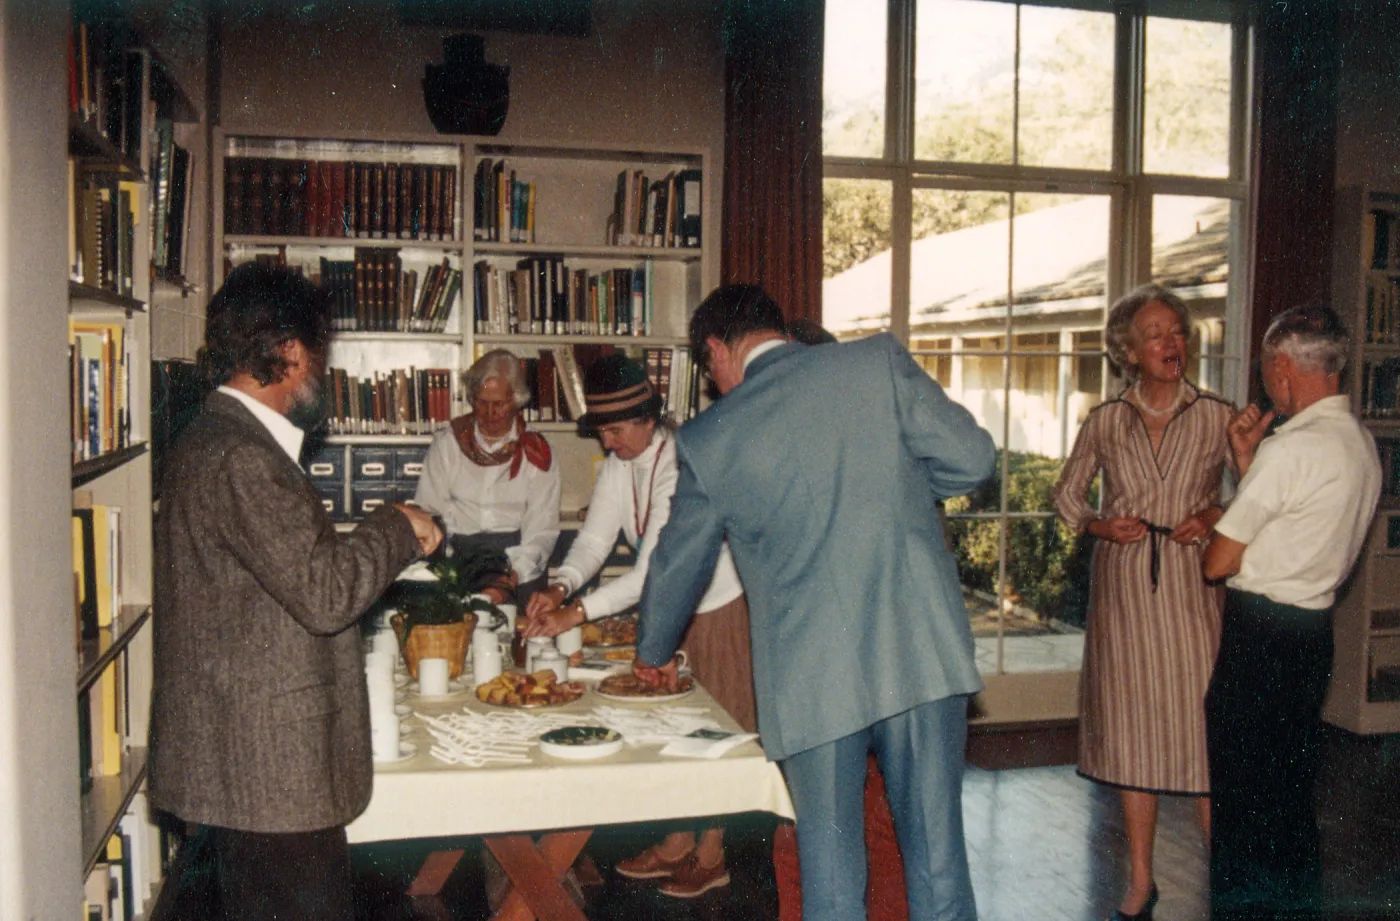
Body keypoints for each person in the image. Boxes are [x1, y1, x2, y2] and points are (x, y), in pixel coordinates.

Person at [632, 284, 996, 920]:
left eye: (708, 367)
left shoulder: (710, 438)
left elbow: (677, 563)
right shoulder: (876, 363)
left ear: (717, 349)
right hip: (919, 650)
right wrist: (902, 490)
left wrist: (652, 650)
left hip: (811, 677)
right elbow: (973, 459)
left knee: (829, 877)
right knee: (939, 865)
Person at [148, 263, 444, 921]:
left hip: (246, 768)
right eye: (318, 356)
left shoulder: (218, 438)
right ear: (287, 351)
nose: (323, 376)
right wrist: (396, 526)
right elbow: (325, 591)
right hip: (267, 775)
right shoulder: (243, 455)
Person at [521, 352, 753, 898]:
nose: (609, 444)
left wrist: (572, 614)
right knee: (675, 730)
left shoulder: (681, 463)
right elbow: (596, 541)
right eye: (602, 433)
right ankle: (677, 843)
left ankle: (712, 854)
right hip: (669, 608)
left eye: (617, 430)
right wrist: (559, 586)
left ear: (649, 419)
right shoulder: (622, 464)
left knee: (714, 732)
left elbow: (654, 571)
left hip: (715, 606)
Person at [1052, 284, 1233, 921]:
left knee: (1204, 733)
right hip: (1126, 587)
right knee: (1132, 737)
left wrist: (1212, 513)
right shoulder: (1106, 419)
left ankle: (1225, 881)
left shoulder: (1218, 414)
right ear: (1129, 351)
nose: (1171, 344)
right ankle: (1141, 881)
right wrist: (1102, 526)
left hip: (1192, 584)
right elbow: (1067, 496)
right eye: (1156, 334)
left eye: (1178, 332)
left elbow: (1258, 497)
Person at [1203, 304, 1380, 920]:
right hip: (1310, 638)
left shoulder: (1292, 450)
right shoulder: (1359, 444)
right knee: (1286, 801)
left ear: (1282, 365)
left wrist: (1234, 495)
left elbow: (1218, 561)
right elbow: (1292, 528)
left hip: (1260, 638)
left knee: (1242, 806)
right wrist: (1248, 463)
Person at [414, 348, 561, 607]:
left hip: (520, 567)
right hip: (459, 564)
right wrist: (445, 570)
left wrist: (509, 580)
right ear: (471, 399)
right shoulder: (448, 443)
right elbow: (429, 513)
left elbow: (542, 530)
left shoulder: (536, 450)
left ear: (516, 401)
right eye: (482, 402)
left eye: (499, 404)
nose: (490, 413)